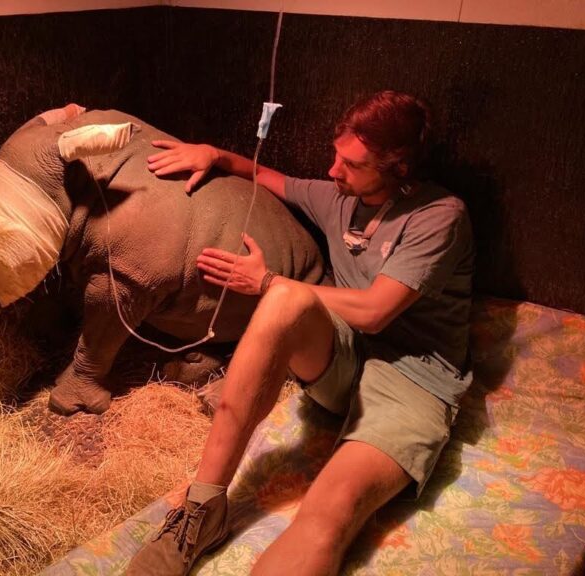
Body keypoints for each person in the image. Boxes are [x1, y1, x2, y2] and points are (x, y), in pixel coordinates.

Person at [126, 90, 474, 575]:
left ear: (396, 167)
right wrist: (215, 154)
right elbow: (270, 177)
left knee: (327, 511)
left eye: (352, 165)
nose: (333, 171)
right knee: (287, 300)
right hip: (345, 356)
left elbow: (376, 311)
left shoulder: (439, 217)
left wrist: (266, 280)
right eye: (336, 156)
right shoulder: (338, 197)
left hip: (410, 380)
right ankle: (202, 509)